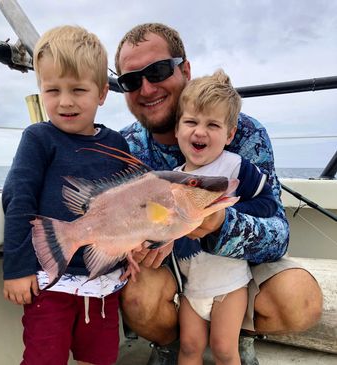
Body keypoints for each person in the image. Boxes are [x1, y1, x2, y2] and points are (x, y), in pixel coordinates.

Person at [115, 23, 323, 364]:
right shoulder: (126, 146)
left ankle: (235, 337)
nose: (147, 87)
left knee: (300, 299)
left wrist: (220, 223)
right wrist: (133, 247)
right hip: (173, 271)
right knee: (138, 296)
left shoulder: (247, 133)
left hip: (234, 273)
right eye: (131, 80)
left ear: (185, 70)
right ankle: (173, 345)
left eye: (158, 70)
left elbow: (278, 234)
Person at [2, 25, 129, 365]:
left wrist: (130, 251)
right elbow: (19, 202)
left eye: (78, 89)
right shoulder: (37, 138)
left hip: (104, 285)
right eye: (53, 90)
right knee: (45, 357)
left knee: (101, 357)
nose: (65, 101)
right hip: (48, 284)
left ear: (102, 93)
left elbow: (127, 212)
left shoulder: (118, 145)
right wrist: (17, 269)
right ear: (40, 91)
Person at [174, 69, 278, 365]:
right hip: (191, 286)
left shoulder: (235, 167)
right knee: (189, 347)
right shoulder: (173, 179)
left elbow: (268, 204)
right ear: (178, 127)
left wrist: (226, 214)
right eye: (191, 121)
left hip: (230, 285)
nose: (199, 131)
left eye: (213, 124)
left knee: (223, 349)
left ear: (230, 133)